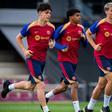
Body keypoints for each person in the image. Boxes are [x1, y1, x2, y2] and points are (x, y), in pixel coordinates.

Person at [1, 3, 67, 112]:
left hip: (42, 60)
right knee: (41, 84)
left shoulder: (51, 27)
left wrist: (52, 44)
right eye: (47, 12)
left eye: (50, 13)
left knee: (30, 86)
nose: (49, 15)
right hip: (32, 59)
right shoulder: (30, 26)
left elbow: (52, 41)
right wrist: (25, 51)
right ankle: (46, 110)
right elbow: (18, 38)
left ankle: (9, 86)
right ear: (40, 13)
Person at [44, 9, 87, 112]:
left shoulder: (81, 28)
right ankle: (78, 110)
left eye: (79, 15)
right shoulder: (62, 28)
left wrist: (83, 38)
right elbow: (51, 41)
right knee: (74, 83)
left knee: (64, 87)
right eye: (77, 15)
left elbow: (85, 45)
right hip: (64, 59)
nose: (79, 17)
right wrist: (61, 47)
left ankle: (46, 96)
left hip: (74, 60)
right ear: (71, 17)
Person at [84, 2, 112, 112]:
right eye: (111, 10)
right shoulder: (100, 23)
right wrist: (95, 46)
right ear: (106, 11)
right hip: (102, 56)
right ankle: (105, 107)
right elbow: (88, 33)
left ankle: (89, 108)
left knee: (101, 85)